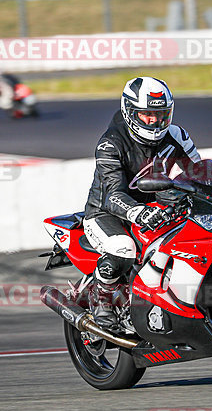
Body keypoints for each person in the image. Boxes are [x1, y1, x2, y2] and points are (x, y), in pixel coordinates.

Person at [83, 76, 201, 329]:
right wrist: (138, 212)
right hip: (105, 213)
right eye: (147, 114)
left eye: (161, 114)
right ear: (130, 111)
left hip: (155, 208)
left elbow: (199, 172)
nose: (155, 121)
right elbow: (113, 193)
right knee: (123, 247)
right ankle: (101, 297)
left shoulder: (177, 135)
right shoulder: (110, 144)